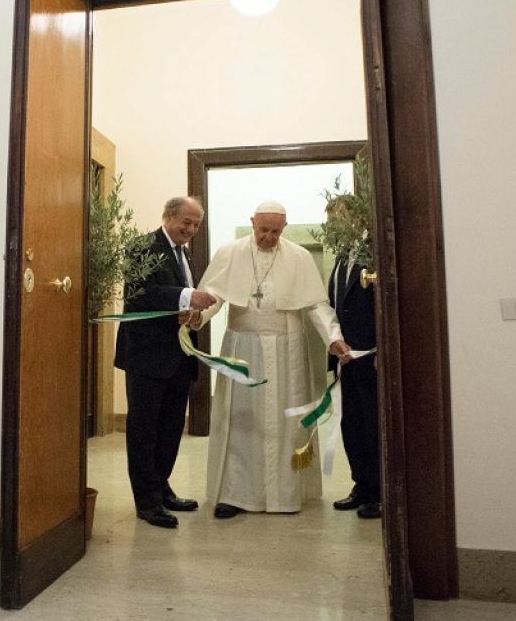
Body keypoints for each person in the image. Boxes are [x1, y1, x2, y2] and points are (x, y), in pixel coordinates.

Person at [191, 199, 350, 518]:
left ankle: (284, 495)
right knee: (240, 420)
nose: (268, 237)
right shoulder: (230, 252)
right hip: (242, 347)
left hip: (287, 349)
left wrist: (333, 338)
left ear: (284, 228)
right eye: (263, 230)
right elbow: (213, 295)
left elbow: (316, 305)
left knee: (287, 422)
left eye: (275, 232)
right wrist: (199, 316)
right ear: (252, 223)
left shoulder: (300, 257)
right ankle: (234, 496)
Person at [114, 196, 217, 528]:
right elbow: (141, 294)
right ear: (168, 216)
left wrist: (193, 314)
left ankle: (162, 488)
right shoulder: (143, 247)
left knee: (171, 428)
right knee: (144, 430)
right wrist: (187, 297)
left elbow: (177, 297)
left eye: (196, 225)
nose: (190, 229)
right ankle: (147, 502)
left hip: (178, 355)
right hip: (146, 356)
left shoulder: (185, 254)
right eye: (186, 222)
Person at [325, 195, 381, 519]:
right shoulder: (343, 257)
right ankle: (361, 484)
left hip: (370, 356)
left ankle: (377, 491)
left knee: (373, 424)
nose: (332, 228)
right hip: (347, 358)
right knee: (353, 424)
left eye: (336, 221)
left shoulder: (373, 252)